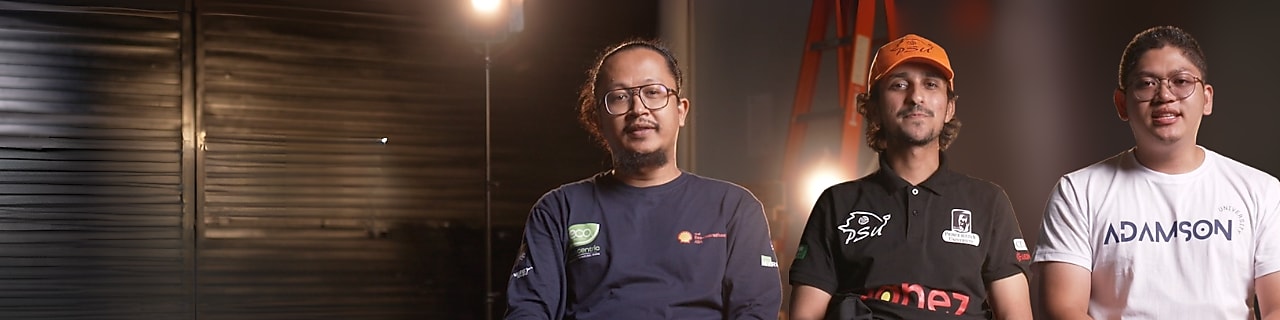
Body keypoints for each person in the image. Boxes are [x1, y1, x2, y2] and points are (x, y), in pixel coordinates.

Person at [502, 39, 783, 319]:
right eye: (619, 97)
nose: (638, 109)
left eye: (653, 92)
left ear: (681, 110)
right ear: (598, 119)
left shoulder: (734, 208)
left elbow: (755, 310)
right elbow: (528, 310)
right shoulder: (559, 209)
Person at [1033, 25, 1280, 319]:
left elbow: (1276, 305)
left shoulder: (1261, 191)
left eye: (1181, 81)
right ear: (1122, 104)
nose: (1165, 95)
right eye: (1147, 83)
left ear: (1207, 98)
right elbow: (1063, 309)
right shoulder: (1078, 192)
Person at [788, 34, 1033, 320]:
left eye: (930, 84)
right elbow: (805, 316)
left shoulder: (989, 202)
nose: (916, 96)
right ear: (875, 108)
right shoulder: (837, 203)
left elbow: (1016, 314)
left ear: (949, 108)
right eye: (899, 85)